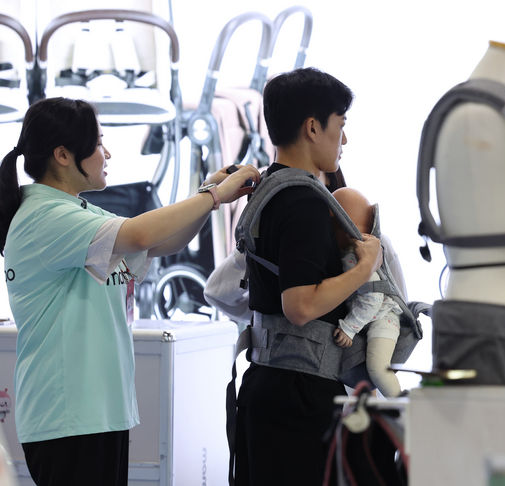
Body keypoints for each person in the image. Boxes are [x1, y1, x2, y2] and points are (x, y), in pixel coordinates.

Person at [0, 97, 260, 486]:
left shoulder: (79, 213)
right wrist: (213, 196)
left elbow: (159, 242)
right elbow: (140, 234)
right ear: (63, 155)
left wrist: (209, 192)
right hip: (67, 416)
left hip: (97, 413)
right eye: (98, 143)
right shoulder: (45, 217)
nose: (107, 154)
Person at [234, 67, 383, 485]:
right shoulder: (304, 201)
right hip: (299, 392)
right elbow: (299, 305)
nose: (344, 139)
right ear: (313, 127)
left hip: (266, 380)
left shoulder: (267, 189)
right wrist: (365, 269)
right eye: (340, 125)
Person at [331, 187, 403, 398]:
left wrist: (349, 328)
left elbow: (372, 298)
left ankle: (402, 405)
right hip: (373, 318)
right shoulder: (348, 254)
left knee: (378, 368)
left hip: (383, 318)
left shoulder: (356, 256)